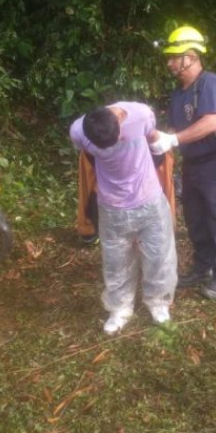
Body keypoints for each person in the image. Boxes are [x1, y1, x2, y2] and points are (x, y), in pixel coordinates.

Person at [70, 102, 178, 334]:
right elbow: (86, 154)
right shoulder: (78, 131)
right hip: (111, 206)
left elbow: (154, 139)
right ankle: (119, 308)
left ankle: (158, 302)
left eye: (119, 138)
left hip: (148, 197)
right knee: (116, 258)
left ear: (119, 120)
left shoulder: (141, 115)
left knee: (159, 253)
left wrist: (167, 141)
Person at [149, 25, 216, 300]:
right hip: (192, 166)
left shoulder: (209, 83)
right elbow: (179, 130)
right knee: (196, 219)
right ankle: (202, 267)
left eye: (175, 57)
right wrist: (163, 140)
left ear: (190, 56)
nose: (170, 63)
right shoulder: (178, 94)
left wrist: (174, 141)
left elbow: (211, 122)